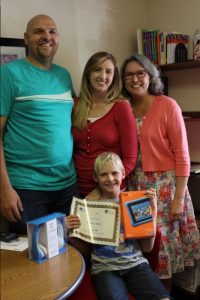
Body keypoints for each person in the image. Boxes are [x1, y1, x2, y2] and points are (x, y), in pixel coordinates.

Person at [120, 53, 200, 291]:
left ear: (150, 75)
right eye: (128, 75)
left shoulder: (167, 105)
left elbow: (183, 156)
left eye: (140, 73)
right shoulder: (123, 108)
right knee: (142, 249)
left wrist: (178, 200)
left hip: (165, 189)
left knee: (163, 253)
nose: (135, 79)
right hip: (136, 187)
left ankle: (163, 295)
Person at [0, 14, 77, 233]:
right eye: (38, 31)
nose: (47, 37)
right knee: (35, 258)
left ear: (58, 38)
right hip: (27, 189)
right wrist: (4, 188)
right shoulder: (8, 73)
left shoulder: (64, 76)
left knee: (71, 254)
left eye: (52, 31)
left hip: (67, 185)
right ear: (26, 38)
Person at [66, 152, 171, 300]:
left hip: (136, 265)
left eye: (114, 173)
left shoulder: (135, 202)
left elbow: (147, 247)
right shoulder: (87, 207)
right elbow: (86, 251)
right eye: (103, 174)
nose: (109, 179)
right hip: (105, 269)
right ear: (95, 178)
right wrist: (69, 232)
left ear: (123, 174)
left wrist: (152, 212)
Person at [72, 51, 137, 198]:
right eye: (97, 70)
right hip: (77, 189)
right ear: (88, 74)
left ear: (114, 77)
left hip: (111, 191)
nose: (103, 76)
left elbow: (130, 159)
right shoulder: (76, 105)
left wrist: (103, 189)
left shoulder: (121, 107)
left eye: (108, 71)